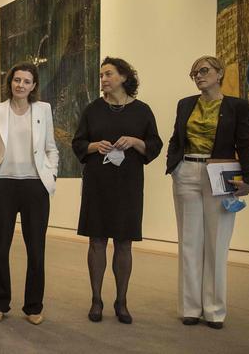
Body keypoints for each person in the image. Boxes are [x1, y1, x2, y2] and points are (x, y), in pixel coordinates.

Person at [166, 55, 249, 330]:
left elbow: (245, 142)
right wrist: (174, 164)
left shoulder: (236, 106)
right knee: (189, 243)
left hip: (220, 175)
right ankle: (190, 307)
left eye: (203, 70)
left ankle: (215, 310)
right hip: (187, 173)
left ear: (219, 73)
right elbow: (175, 138)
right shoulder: (185, 105)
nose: (198, 76)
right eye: (193, 72)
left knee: (217, 244)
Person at [72, 57, 162, 325]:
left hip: (128, 185)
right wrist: (93, 146)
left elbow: (154, 145)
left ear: (124, 77)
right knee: (96, 241)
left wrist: (135, 141)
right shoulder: (92, 110)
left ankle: (121, 301)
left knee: (124, 243)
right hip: (97, 184)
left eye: (108, 74)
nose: (103, 80)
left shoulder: (142, 111)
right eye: (101, 75)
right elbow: (78, 143)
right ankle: (96, 300)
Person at [0, 62, 59, 325]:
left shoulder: (42, 110)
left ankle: (33, 306)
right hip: (2, 185)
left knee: (36, 249)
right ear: (10, 82)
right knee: (0, 248)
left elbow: (51, 148)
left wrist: (52, 173)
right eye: (16, 80)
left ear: (34, 86)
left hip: (35, 187)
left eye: (26, 81)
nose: (20, 85)